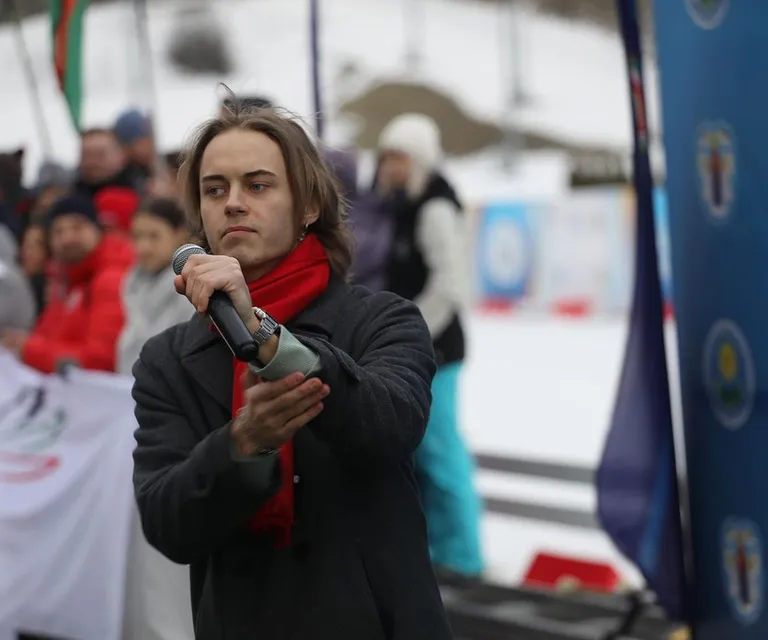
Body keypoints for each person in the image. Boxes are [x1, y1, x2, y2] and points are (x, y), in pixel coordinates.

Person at [131, 106, 453, 639]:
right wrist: (243, 444)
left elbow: (392, 424)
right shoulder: (167, 360)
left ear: (307, 207)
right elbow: (168, 524)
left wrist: (265, 340)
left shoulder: (382, 318)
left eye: (258, 185)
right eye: (215, 190)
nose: (233, 202)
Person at [377, 113, 484, 582]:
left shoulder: (434, 207)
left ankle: (464, 558)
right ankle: (442, 553)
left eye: (397, 157)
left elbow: (452, 285)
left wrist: (409, 330)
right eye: (385, 156)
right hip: (422, 351)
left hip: (437, 352)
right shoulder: (409, 202)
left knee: (441, 455)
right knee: (423, 454)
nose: (389, 166)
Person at [0, 193, 133, 373]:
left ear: (96, 230)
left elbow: (101, 359)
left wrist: (28, 349)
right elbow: (47, 335)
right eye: (58, 231)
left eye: (77, 227)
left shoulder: (110, 279)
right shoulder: (63, 282)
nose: (67, 238)